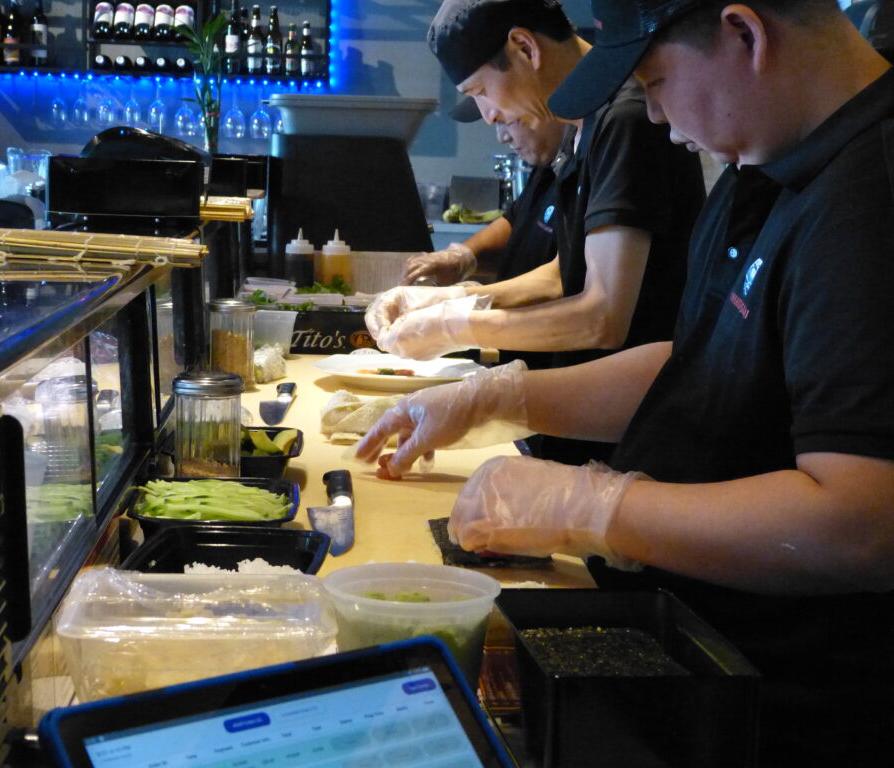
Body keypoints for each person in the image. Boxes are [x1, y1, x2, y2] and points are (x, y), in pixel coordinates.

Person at [357, 0, 894, 763]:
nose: (669, 129)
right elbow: (694, 367)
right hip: (693, 656)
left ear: (746, 33)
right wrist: (493, 397)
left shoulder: (871, 195)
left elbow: (861, 524)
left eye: (660, 81)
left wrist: (599, 504)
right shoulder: (765, 168)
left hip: (800, 711)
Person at [367, 0, 705, 373]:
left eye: (479, 90)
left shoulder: (625, 118)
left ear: (525, 48)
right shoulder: (579, 125)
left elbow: (602, 316)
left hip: (629, 412)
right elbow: (563, 273)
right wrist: (454, 299)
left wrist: (458, 327)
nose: (488, 115)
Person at [402, 108, 565, 287]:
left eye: (505, 120)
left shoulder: (587, 163)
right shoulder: (547, 163)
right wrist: (462, 256)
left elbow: (556, 284)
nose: (502, 137)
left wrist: (467, 297)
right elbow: (515, 222)